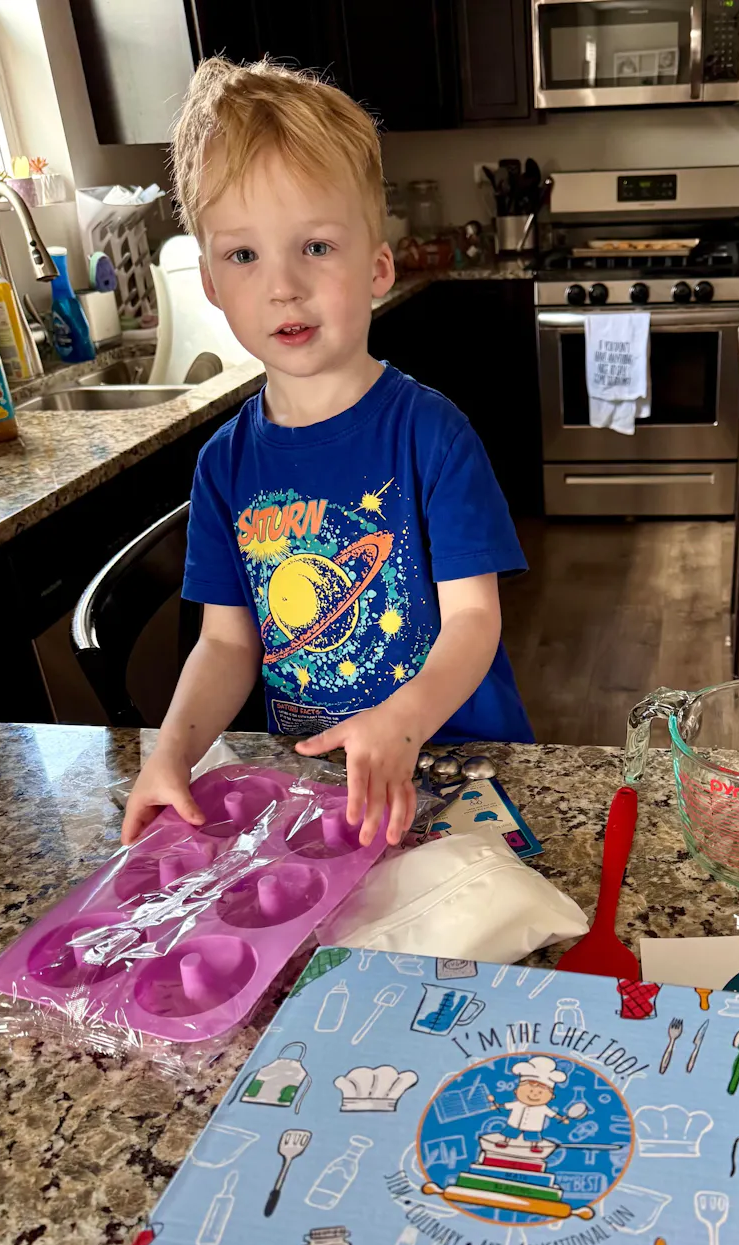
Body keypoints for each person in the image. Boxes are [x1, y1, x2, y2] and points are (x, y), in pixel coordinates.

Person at [121, 57, 532, 850]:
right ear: (210, 283)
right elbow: (226, 642)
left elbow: (474, 618)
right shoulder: (224, 466)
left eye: (315, 245)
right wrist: (170, 750)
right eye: (244, 256)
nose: (282, 285)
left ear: (377, 268)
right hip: (320, 785)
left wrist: (403, 720)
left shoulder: (432, 434)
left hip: (454, 765)